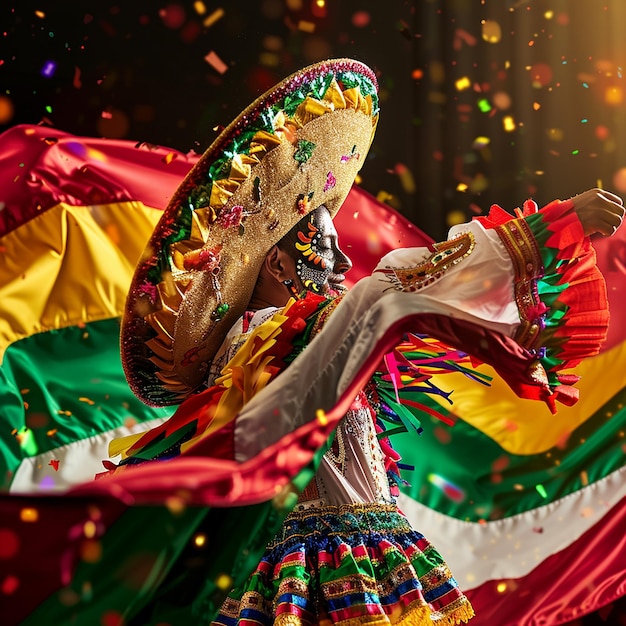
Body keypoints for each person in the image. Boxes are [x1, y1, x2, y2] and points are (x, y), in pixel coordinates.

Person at [96, 58, 624, 626]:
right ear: (276, 260)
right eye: (325, 247)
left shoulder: (275, 339)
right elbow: (390, 290)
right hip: (328, 572)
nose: (344, 260)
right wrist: (550, 229)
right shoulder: (274, 335)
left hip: (326, 560)